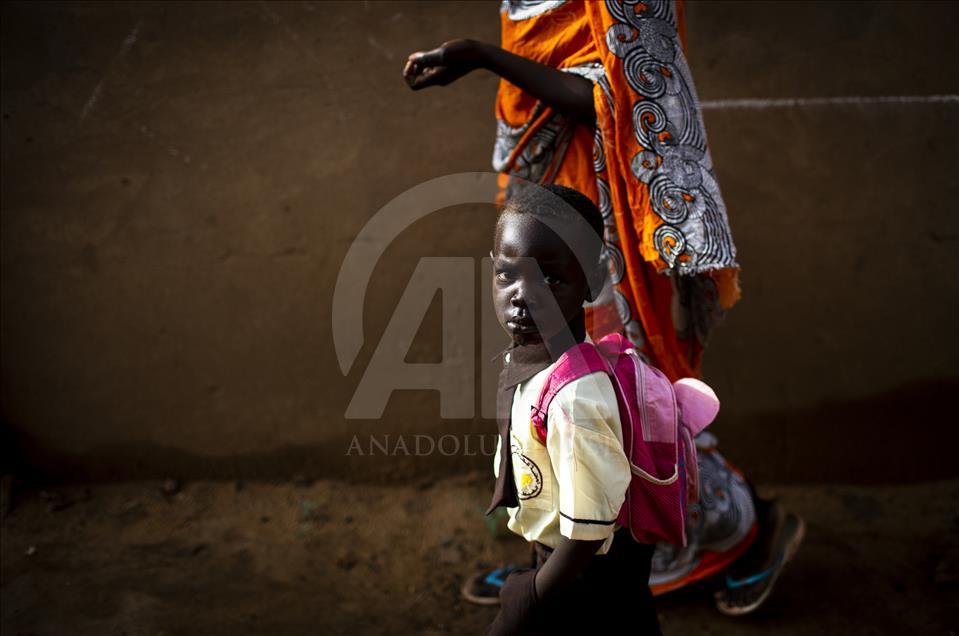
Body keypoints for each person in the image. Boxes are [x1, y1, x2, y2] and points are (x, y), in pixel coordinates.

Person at [403, 0, 804, 616]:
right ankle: (561, 547)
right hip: (553, 204)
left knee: (626, 394)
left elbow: (621, 97)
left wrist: (483, 56)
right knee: (567, 395)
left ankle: (736, 532)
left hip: (614, 208)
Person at [485, 182, 661, 635]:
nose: (523, 295)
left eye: (551, 278)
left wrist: (527, 600)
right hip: (558, 556)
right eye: (508, 274)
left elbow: (588, 533)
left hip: (588, 579)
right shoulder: (530, 360)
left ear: (593, 281)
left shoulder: (575, 398)